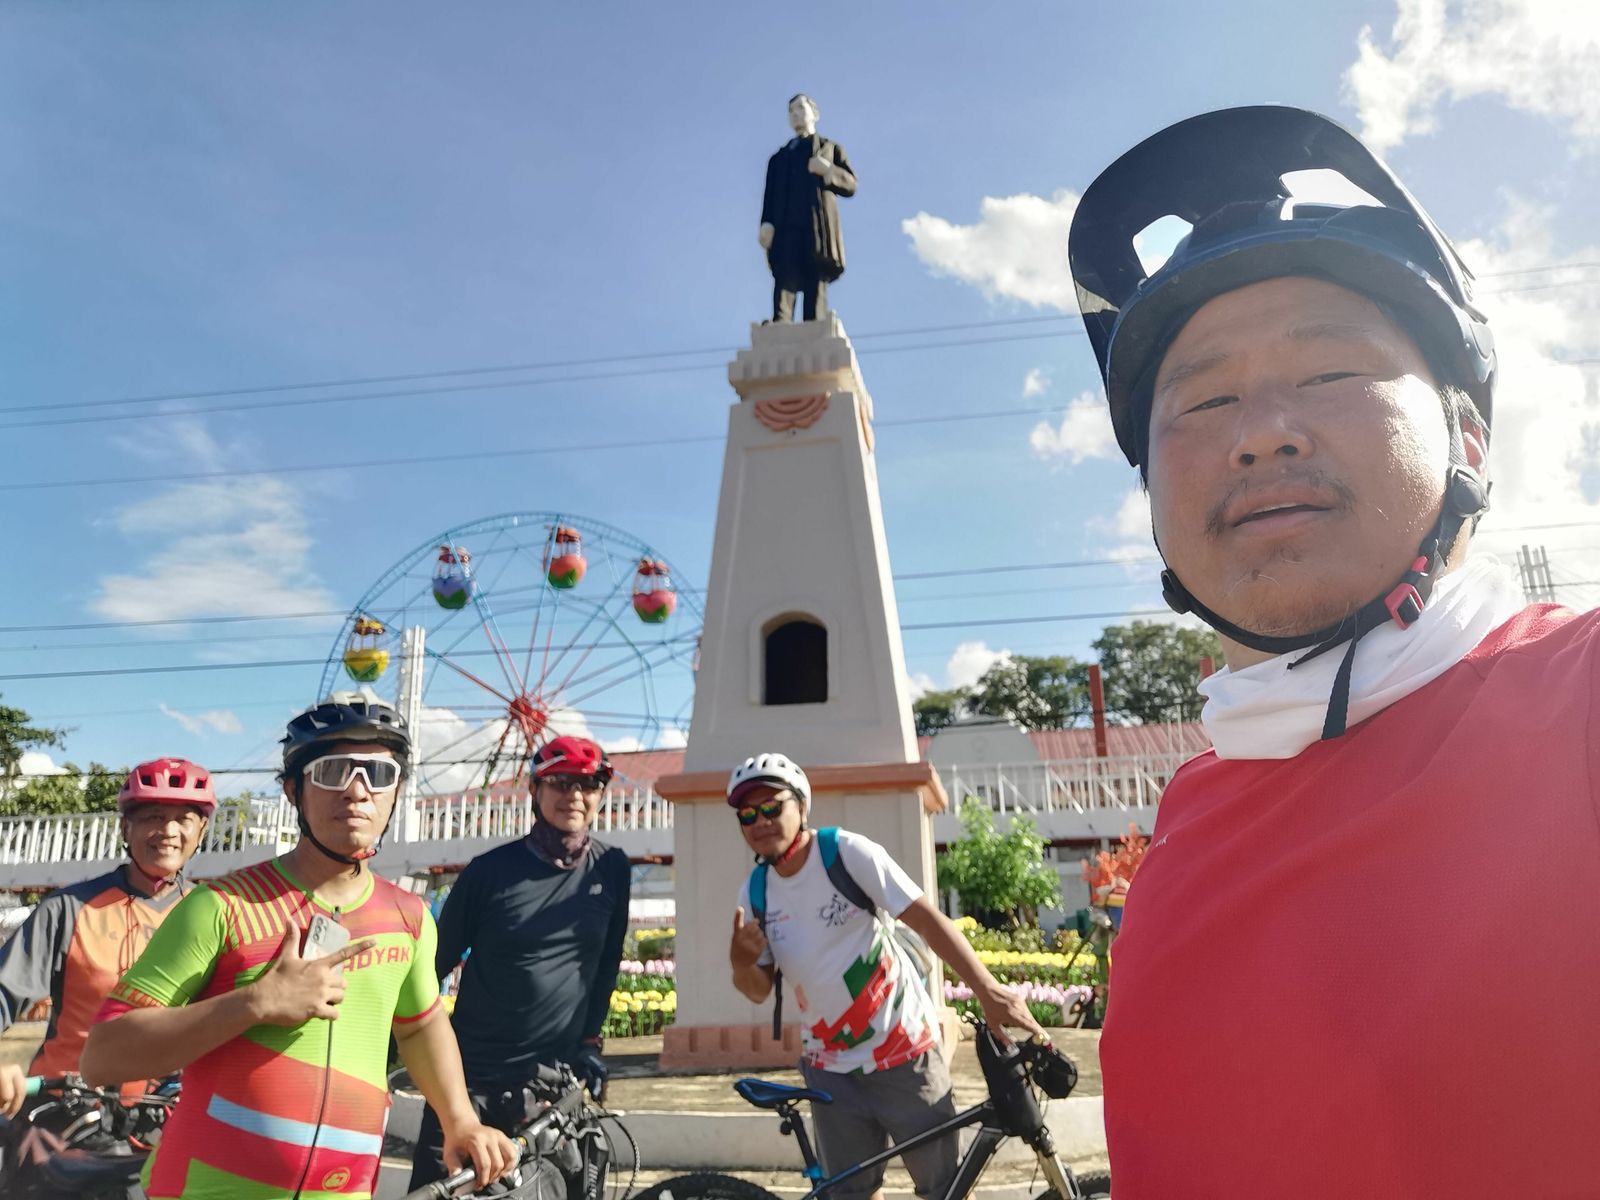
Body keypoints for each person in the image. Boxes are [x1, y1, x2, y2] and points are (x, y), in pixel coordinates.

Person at [1067, 105, 1600, 1196]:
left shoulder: (1576, 701)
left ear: (1467, 437)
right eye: (1204, 398)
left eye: (1327, 374)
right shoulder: (1187, 821)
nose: (1261, 430)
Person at [80, 694, 514, 1199]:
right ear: (294, 791)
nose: (357, 790)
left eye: (379, 774)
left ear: (395, 792)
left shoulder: (410, 917)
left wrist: (460, 1120)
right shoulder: (221, 906)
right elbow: (102, 1057)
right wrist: (254, 1003)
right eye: (333, 772)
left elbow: (420, 1027)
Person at [726, 753, 1046, 1200]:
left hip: (903, 1056)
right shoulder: (756, 891)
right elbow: (758, 990)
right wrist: (741, 962)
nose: (760, 821)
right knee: (851, 1195)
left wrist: (988, 989)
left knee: (946, 1190)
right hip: (830, 1072)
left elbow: (927, 920)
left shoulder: (844, 853)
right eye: (747, 814)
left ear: (801, 806)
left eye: (771, 807)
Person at [409, 734, 631, 1190]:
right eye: (561, 783)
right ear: (534, 789)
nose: (575, 796)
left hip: (551, 1086)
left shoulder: (612, 868)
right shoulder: (489, 872)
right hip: (472, 1082)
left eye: (588, 785)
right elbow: (430, 969)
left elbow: (605, 965)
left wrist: (590, 1041)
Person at [0, 758, 214, 1084]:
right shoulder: (68, 908)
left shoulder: (215, 911)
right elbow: (4, 990)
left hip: (169, 1104)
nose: (169, 832)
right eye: (154, 817)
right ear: (126, 827)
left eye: (183, 819)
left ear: (201, 831)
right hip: (68, 1100)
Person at [759, 93, 856, 322]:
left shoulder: (829, 148)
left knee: (815, 271)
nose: (795, 114)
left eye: (801, 108)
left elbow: (851, 184)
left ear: (815, 113)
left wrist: (828, 171)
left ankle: (815, 322)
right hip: (786, 225)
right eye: (791, 111)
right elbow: (769, 195)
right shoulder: (779, 158)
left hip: (816, 224)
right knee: (785, 272)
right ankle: (780, 321)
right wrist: (766, 222)